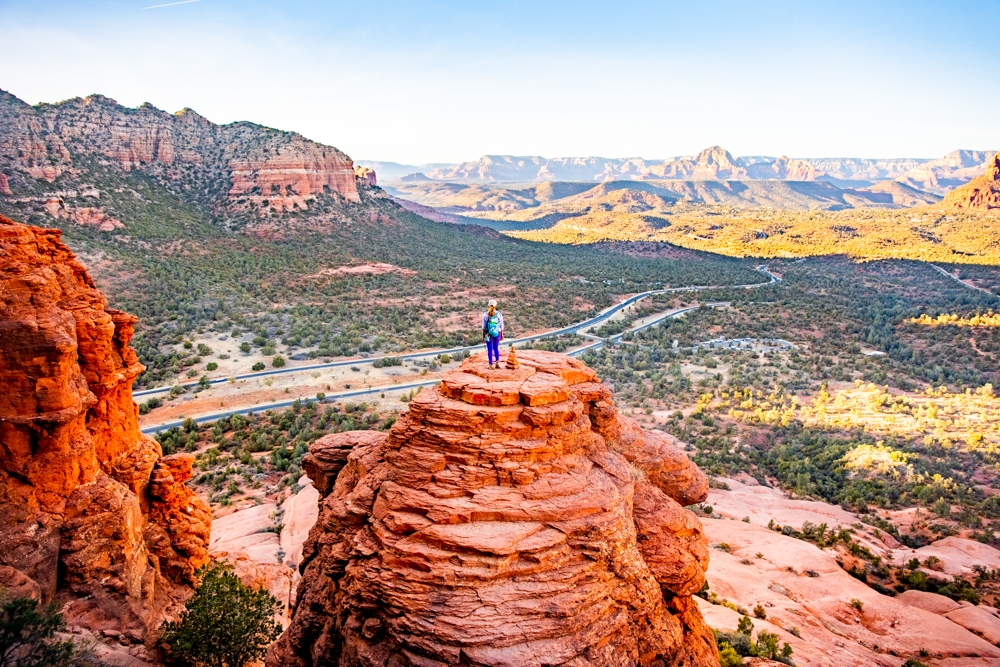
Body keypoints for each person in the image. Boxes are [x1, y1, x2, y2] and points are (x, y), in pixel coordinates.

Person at [481, 299, 504, 369]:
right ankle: (497, 363)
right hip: (497, 333)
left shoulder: (485, 315)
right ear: (495, 305)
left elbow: (484, 327)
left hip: (488, 334)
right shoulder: (499, 314)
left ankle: (490, 365)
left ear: (488, 305)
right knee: (496, 348)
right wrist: (502, 334)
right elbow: (501, 325)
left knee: (490, 349)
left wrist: (483, 335)